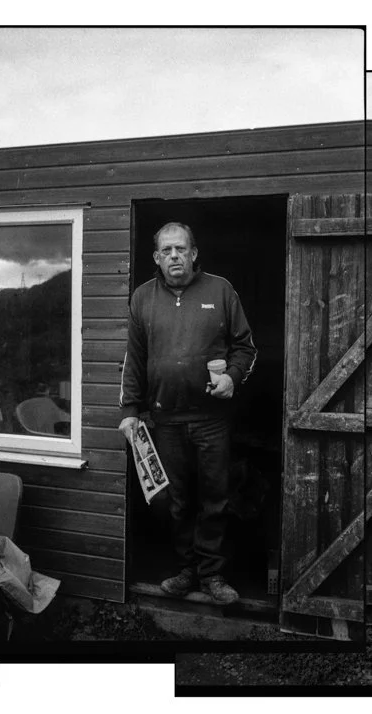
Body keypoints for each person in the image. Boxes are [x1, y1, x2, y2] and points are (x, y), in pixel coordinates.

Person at [118, 221, 257, 605]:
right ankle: (187, 569)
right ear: (156, 258)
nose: (174, 256)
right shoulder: (142, 298)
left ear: (194, 253)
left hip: (211, 419)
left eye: (181, 249)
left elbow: (246, 348)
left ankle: (212, 575)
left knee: (215, 498)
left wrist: (231, 378)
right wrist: (130, 409)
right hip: (165, 420)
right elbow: (135, 358)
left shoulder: (221, 290)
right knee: (175, 501)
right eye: (166, 251)